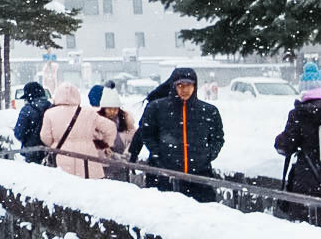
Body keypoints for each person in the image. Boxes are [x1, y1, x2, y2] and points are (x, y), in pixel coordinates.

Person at [131, 66, 225, 202]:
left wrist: (208, 155)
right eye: (180, 85)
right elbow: (146, 134)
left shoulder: (209, 111)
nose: (185, 90)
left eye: (189, 85)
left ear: (195, 86)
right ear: (173, 86)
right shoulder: (157, 108)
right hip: (163, 176)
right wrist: (158, 154)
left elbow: (217, 138)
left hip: (199, 177)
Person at [40, 83, 120, 179]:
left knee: (65, 186)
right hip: (87, 157)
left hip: (62, 156)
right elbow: (110, 127)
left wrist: (56, 143)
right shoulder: (88, 112)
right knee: (89, 189)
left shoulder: (50, 113)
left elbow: (45, 137)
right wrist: (105, 143)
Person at [275, 85, 321, 199]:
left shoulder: (300, 113)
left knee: (302, 215)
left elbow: (285, 146)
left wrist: (279, 140)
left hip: (307, 180)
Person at [90, 85, 136, 179]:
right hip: (103, 165)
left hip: (122, 164)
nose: (113, 112)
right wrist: (110, 154)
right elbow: (94, 142)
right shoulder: (97, 121)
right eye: (109, 109)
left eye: (115, 109)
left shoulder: (126, 121)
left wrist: (127, 153)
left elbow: (133, 140)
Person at [13, 82, 52, 163]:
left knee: (34, 174)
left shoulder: (27, 110)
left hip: (32, 151)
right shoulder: (52, 108)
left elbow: (18, 133)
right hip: (50, 151)